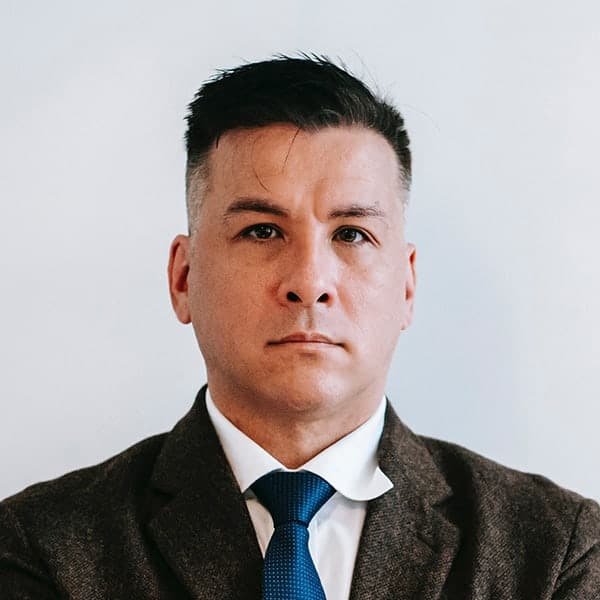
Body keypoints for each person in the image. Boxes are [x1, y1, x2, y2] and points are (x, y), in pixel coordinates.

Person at [0, 55, 598, 600]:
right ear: (183, 277)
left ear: (407, 285)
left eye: (352, 234)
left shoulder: (557, 552)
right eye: (262, 231)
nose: (309, 281)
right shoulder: (40, 547)